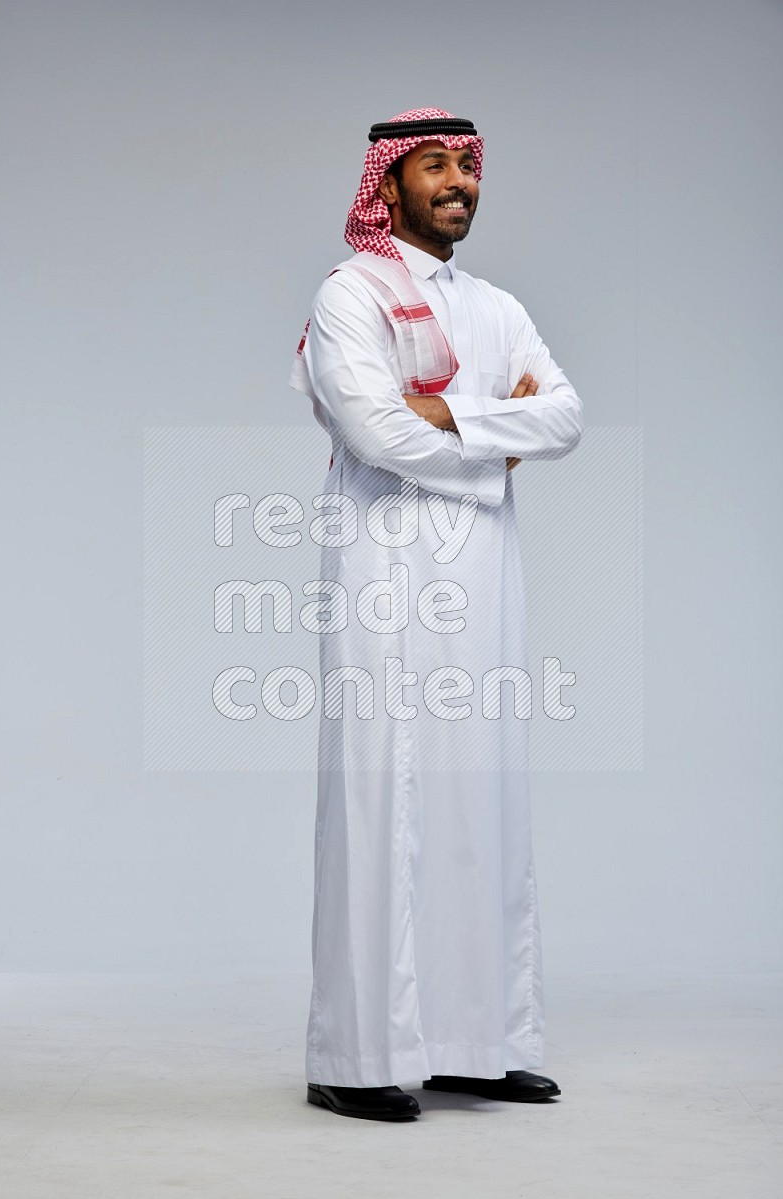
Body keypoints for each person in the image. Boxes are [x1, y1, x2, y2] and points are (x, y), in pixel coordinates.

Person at [289, 108, 583, 1122]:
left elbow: (564, 416)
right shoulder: (350, 294)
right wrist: (493, 443)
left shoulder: (496, 306)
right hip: (382, 569)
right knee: (383, 798)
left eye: (466, 164)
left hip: (482, 582)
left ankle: (481, 1041)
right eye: (433, 165)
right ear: (387, 184)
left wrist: (449, 415)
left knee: (481, 796)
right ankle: (355, 1054)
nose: (457, 181)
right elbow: (371, 433)